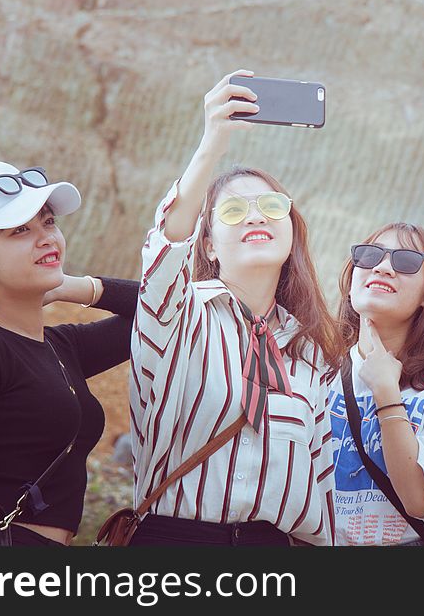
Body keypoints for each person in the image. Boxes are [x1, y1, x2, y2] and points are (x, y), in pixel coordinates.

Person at [128, 70, 343, 546]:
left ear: (292, 231)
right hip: (176, 544)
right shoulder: (180, 318)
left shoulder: (310, 353)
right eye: (231, 211)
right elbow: (166, 247)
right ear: (207, 245)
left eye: (271, 205)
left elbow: (321, 486)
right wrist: (211, 146)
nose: (254, 215)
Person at [0, 161, 138, 546]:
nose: (46, 238)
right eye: (21, 229)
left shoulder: (60, 346)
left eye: (48, 222)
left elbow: (164, 312)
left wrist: (75, 287)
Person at [329, 223, 424, 545]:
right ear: (351, 281)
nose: (383, 267)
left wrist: (386, 392)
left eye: (406, 261)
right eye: (370, 255)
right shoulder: (317, 368)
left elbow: (417, 500)